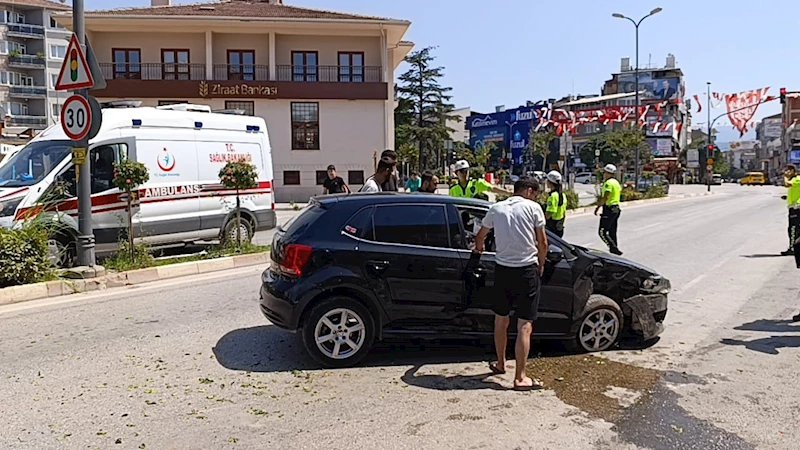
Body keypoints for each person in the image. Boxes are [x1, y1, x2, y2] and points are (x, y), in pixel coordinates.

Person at [474, 177, 548, 391]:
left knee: (500, 319)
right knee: (524, 325)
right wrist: (541, 264)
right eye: (535, 192)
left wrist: (479, 249)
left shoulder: (496, 208)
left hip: (503, 270)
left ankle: (499, 363)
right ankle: (520, 378)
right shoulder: (534, 208)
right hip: (526, 271)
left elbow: (480, 236)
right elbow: (542, 242)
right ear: (529, 191)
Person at [594, 164, 623, 255]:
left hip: (609, 209)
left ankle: (613, 248)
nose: (604, 175)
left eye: (605, 173)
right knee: (612, 231)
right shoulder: (616, 182)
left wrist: (598, 207)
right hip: (616, 209)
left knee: (602, 232)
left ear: (608, 173)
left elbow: (606, 196)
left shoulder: (608, 183)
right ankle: (614, 249)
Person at [781, 165, 800, 258]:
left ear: (793, 171)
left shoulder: (797, 179)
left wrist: (785, 177)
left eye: (787, 170)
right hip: (795, 206)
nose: (786, 172)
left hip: (796, 208)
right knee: (795, 229)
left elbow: (787, 184)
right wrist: (787, 197)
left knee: (793, 229)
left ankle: (792, 249)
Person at [545, 170, 567, 237]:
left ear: (550, 183)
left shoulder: (553, 196)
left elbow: (549, 213)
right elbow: (564, 213)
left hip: (551, 227)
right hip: (559, 227)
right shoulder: (563, 195)